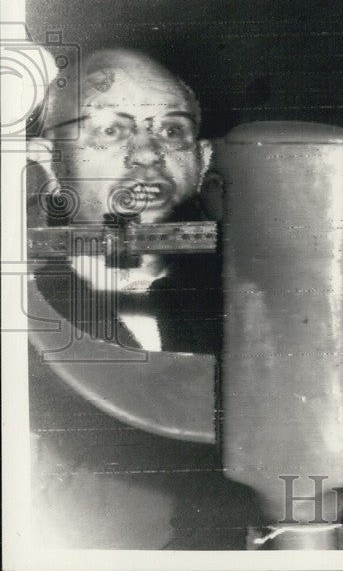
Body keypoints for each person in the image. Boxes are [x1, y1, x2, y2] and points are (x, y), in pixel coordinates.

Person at [27, 48, 256, 549]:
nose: (148, 152)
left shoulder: (259, 302)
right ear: (49, 160)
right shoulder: (20, 316)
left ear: (203, 160)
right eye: (111, 130)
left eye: (172, 131)